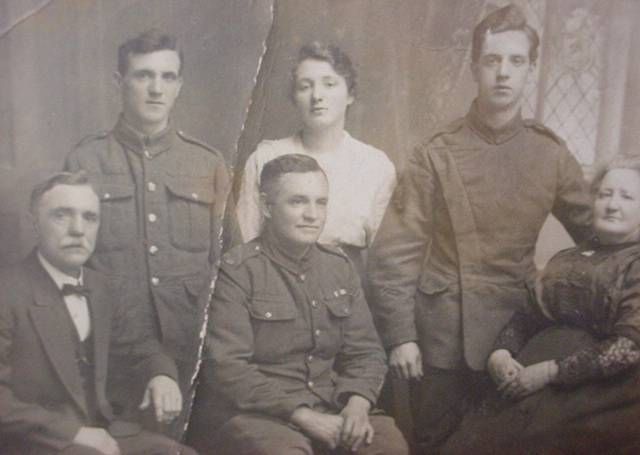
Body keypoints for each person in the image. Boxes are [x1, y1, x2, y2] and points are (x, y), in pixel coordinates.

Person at [366, 4, 593, 452]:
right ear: (475, 67)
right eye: (492, 61)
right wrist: (401, 337)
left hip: (518, 336)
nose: (503, 73)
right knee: (435, 444)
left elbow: (598, 233)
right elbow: (394, 255)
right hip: (442, 339)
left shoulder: (549, 154)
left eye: (515, 61)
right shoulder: (437, 151)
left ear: (531, 69)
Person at [64, 29, 232, 431]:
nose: (156, 89)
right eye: (143, 76)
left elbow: (228, 263)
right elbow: (71, 267)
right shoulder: (86, 158)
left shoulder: (207, 163)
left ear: (179, 86)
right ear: (119, 83)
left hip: (193, 353)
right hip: (112, 357)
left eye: (167, 77)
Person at [190, 154, 408, 454]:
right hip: (262, 417)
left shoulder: (339, 268)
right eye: (298, 202)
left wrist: (358, 405)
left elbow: (367, 353)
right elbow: (228, 369)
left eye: (321, 202)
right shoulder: (237, 271)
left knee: (388, 445)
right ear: (267, 207)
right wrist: (304, 416)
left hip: (332, 404)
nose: (312, 214)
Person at [444, 157, 640, 453]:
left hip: (600, 396)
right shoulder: (567, 257)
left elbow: (628, 348)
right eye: (605, 194)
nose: (612, 205)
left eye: (627, 197)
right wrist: (501, 352)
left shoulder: (635, 264)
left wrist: (550, 372)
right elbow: (527, 316)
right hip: (529, 381)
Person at [0, 172, 197, 455]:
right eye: (61, 216)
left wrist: (161, 374)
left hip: (105, 431)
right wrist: (72, 433)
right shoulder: (6, 291)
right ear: (34, 223)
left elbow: (140, 346)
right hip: (35, 440)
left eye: (89, 218)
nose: (78, 230)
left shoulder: (102, 287)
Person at [235, 41, 396, 271]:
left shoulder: (375, 166)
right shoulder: (266, 157)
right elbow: (245, 245)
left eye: (329, 84)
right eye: (305, 86)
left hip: (345, 294)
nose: (317, 96)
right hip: (274, 291)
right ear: (294, 97)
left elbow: (385, 262)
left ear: (350, 94)